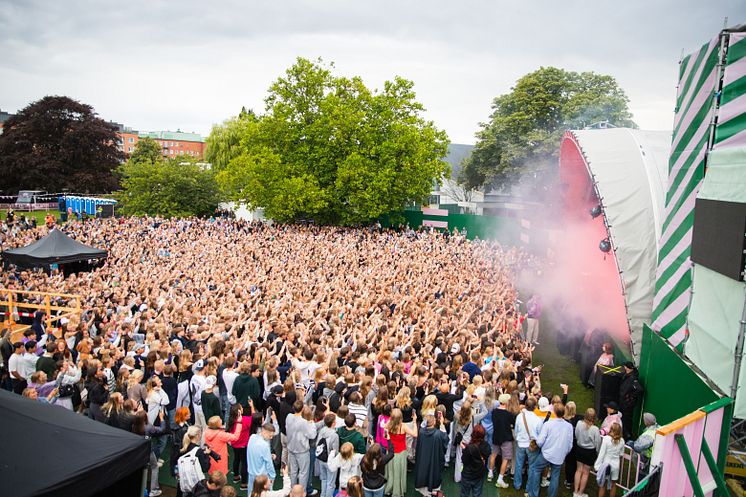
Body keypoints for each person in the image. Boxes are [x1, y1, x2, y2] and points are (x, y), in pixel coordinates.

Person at [527, 403, 574, 497]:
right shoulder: (569, 426)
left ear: (554, 412)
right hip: (559, 456)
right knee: (555, 476)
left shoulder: (549, 424)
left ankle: (533, 494)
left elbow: (540, 442)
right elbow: (570, 445)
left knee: (535, 469)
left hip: (547, 454)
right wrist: (563, 453)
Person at [384, 408, 417, 497]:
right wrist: (414, 422)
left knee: (390, 471)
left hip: (390, 452)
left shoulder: (388, 425)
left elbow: (384, 431)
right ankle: (397, 490)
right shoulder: (403, 426)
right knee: (398, 472)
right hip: (400, 453)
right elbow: (415, 434)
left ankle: (389, 488)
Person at [414, 414, 449, 497]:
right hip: (434, 462)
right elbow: (445, 440)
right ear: (434, 422)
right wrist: (441, 424)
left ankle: (425, 494)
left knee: (424, 477)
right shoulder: (438, 434)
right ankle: (433, 493)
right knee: (433, 477)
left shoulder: (421, 432)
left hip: (423, 462)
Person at [286, 401, 318, 489]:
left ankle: (293, 491)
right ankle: (301, 493)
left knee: (293, 472)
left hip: (291, 449)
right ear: (302, 409)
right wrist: (311, 424)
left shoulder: (288, 417)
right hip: (302, 452)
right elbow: (312, 435)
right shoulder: (304, 422)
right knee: (303, 473)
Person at [513, 396, 541, 492]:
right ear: (535, 407)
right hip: (531, 446)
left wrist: (518, 439)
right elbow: (539, 434)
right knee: (532, 467)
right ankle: (528, 488)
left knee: (519, 464)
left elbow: (516, 431)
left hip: (521, 443)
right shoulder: (537, 420)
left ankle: (517, 484)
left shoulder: (519, 416)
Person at [573, 408, 601, 497]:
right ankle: (580, 493)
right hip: (589, 452)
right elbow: (598, 443)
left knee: (578, 470)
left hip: (580, 449)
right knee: (585, 472)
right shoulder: (595, 429)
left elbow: (576, 435)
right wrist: (597, 452)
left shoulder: (579, 424)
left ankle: (575, 492)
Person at [490, 393, 515, 488]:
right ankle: (500, 479)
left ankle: (490, 473)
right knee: (506, 458)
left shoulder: (494, 412)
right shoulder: (509, 414)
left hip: (496, 436)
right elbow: (513, 423)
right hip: (506, 438)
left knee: (494, 454)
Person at [594, 423, 625, 497]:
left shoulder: (606, 439)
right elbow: (621, 454)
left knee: (602, 485)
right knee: (613, 485)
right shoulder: (622, 441)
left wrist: (597, 466)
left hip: (606, 465)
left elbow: (602, 453)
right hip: (615, 465)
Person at [460, 423, 490, 497]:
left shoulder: (469, 448)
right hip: (479, 474)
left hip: (467, 475)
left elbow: (464, 460)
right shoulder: (486, 446)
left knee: (464, 494)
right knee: (477, 494)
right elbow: (487, 455)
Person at [229, 402, 253, 490]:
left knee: (236, 459)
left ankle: (236, 476)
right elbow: (254, 418)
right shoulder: (245, 420)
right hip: (243, 445)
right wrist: (252, 406)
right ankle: (244, 484)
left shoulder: (231, 421)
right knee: (244, 463)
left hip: (234, 444)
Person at [247, 422, 278, 491]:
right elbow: (269, 464)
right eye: (270, 436)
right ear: (264, 431)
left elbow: (256, 453)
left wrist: (269, 455)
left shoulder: (252, 437)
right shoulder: (264, 445)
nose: (271, 438)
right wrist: (272, 477)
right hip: (262, 477)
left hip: (251, 473)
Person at [317, 413, 340, 497]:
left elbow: (317, 444)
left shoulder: (322, 430)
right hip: (330, 461)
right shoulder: (335, 435)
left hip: (321, 458)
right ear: (333, 423)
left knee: (324, 479)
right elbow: (335, 451)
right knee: (331, 483)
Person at [619, 362, 643, 440]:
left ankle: (628, 436)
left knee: (627, 420)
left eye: (625, 366)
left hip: (627, 404)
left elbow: (639, 390)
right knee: (623, 418)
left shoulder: (632, 378)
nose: (624, 368)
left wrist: (630, 398)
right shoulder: (628, 375)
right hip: (624, 402)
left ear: (627, 367)